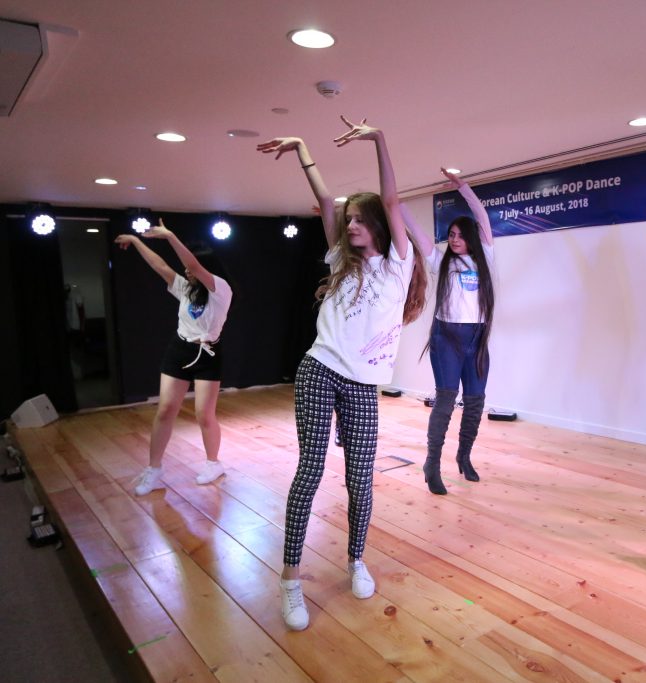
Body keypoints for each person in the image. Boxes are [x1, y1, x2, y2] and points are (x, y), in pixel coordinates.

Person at [257, 116, 426, 631]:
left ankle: (356, 559)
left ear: (377, 224)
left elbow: (393, 200)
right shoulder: (339, 259)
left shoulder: (398, 264)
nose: (350, 225)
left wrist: (380, 139)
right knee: (309, 471)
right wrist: (303, 149)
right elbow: (325, 199)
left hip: (363, 384)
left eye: (358, 219)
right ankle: (290, 580)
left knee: (360, 479)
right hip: (319, 370)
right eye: (347, 219)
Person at [114, 220, 234, 496]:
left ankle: (213, 464)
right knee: (166, 409)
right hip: (180, 350)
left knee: (204, 414)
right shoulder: (185, 287)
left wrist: (170, 236)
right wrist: (136, 241)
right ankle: (154, 469)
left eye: (191, 269)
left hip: (208, 353)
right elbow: (160, 266)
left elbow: (192, 265)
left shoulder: (221, 289)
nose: (186, 272)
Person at [403, 169, 495, 495]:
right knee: (445, 400)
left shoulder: (485, 259)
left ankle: (464, 455)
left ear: (470, 237)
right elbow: (417, 233)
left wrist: (462, 187)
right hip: (447, 339)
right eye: (451, 234)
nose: (454, 239)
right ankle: (432, 464)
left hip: (476, 338)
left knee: (475, 401)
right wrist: (396, 205)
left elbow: (482, 217)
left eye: (459, 235)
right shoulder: (441, 261)